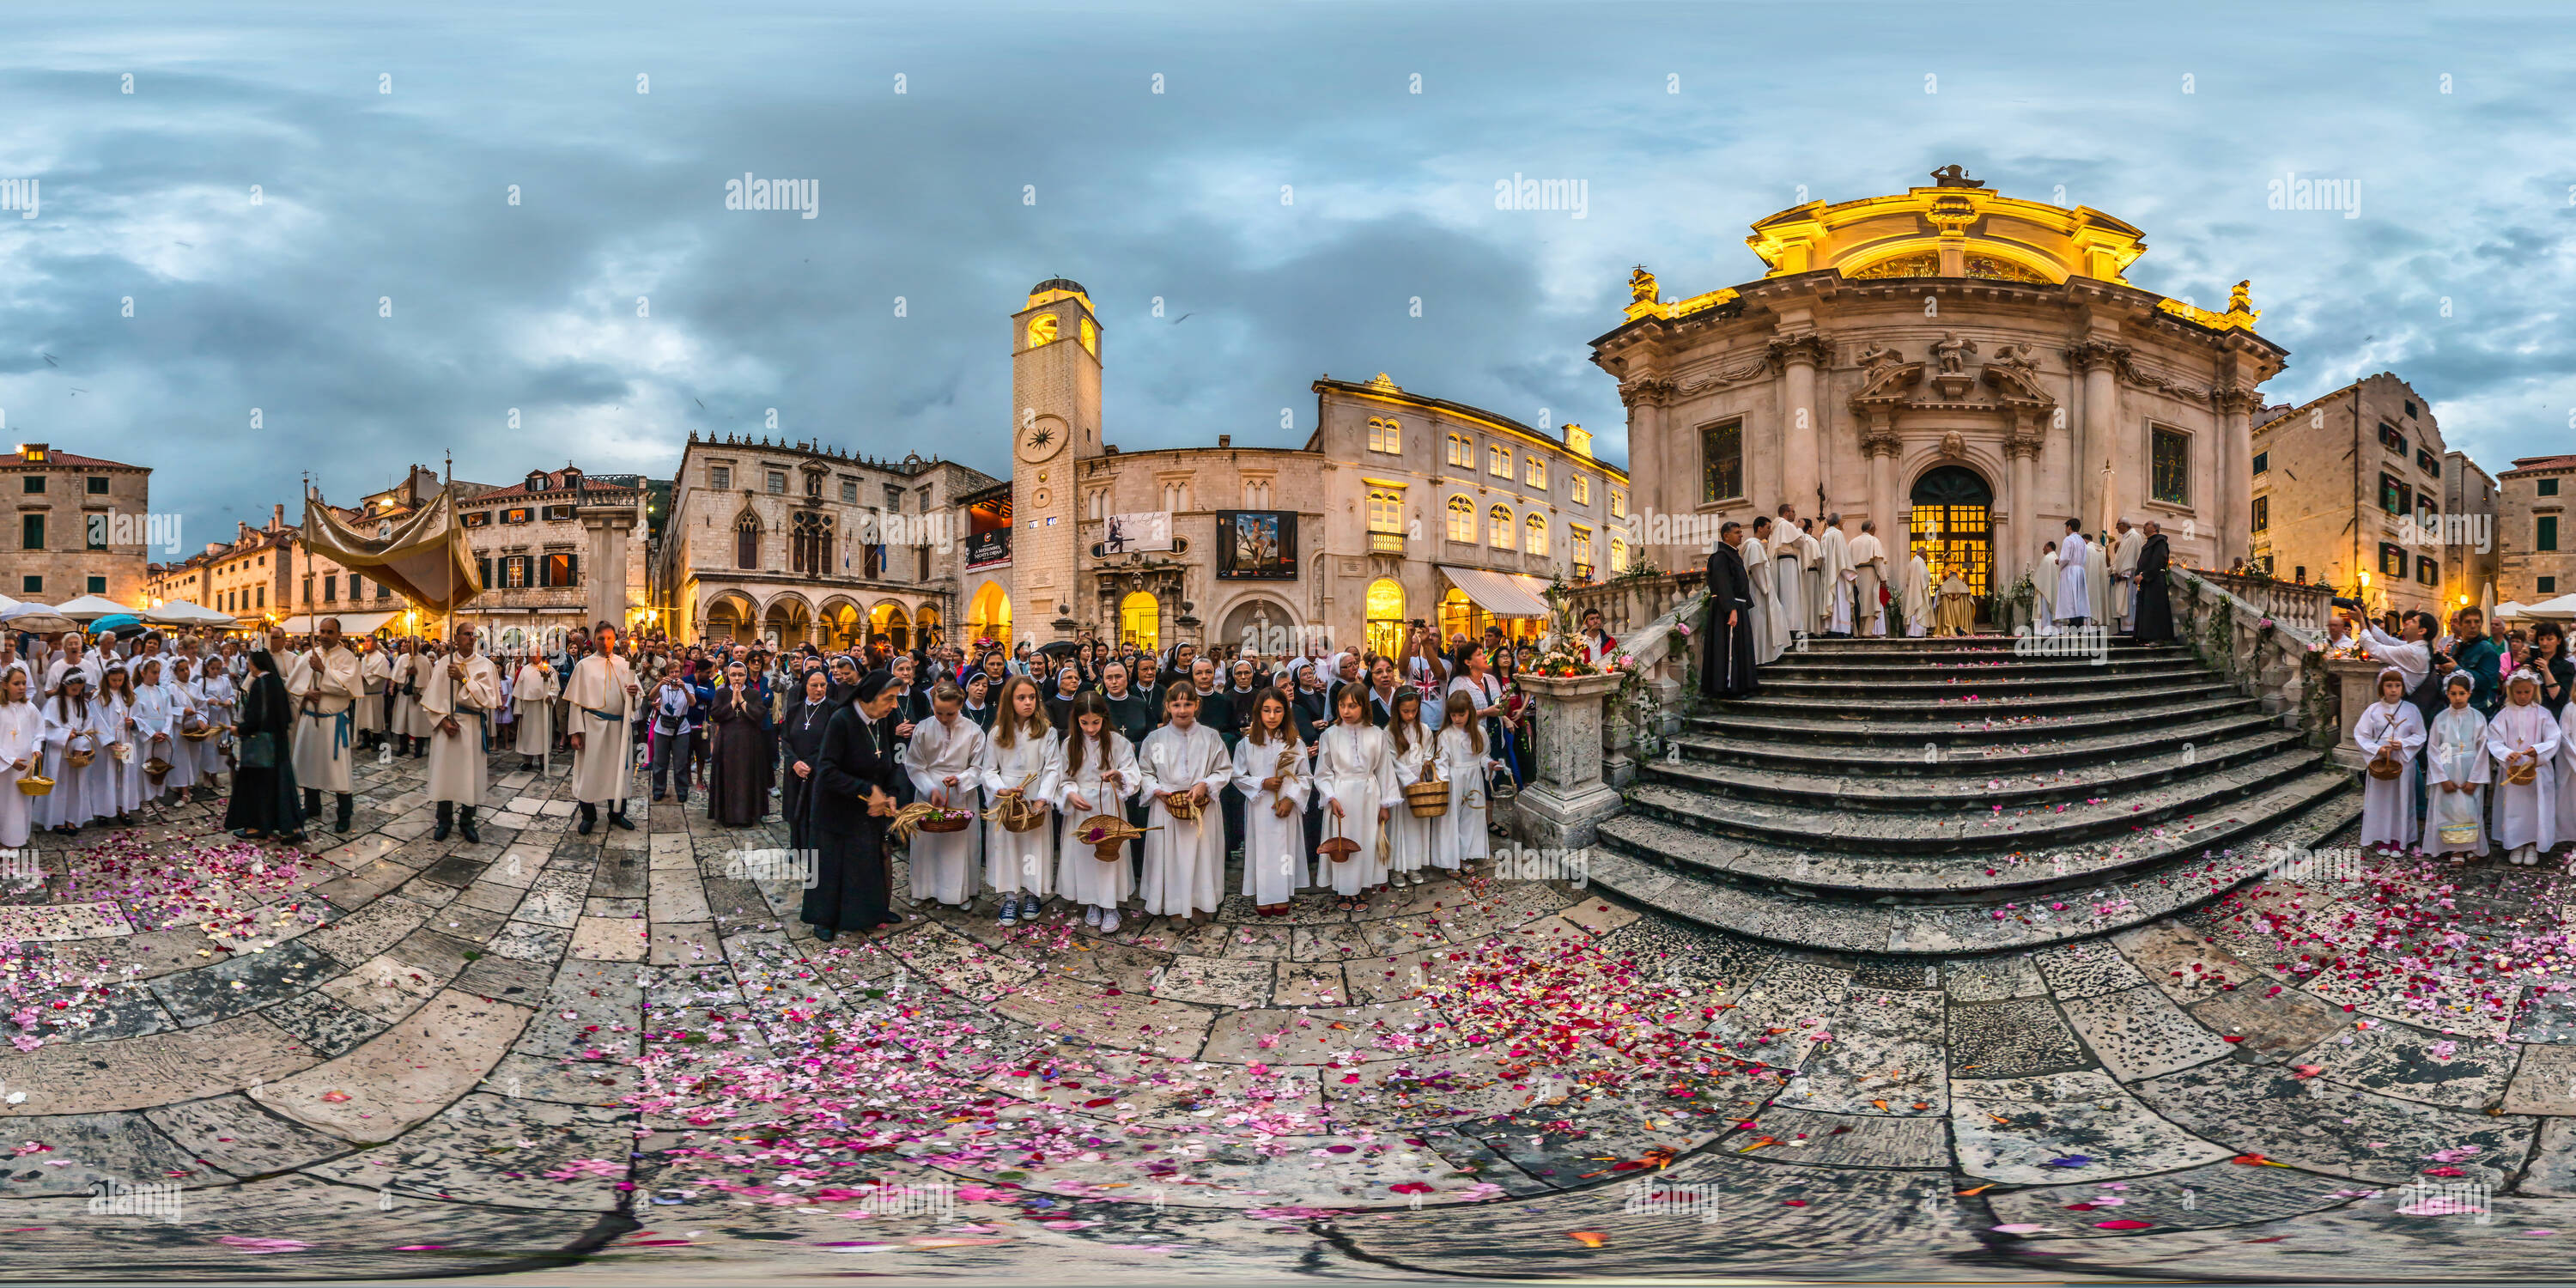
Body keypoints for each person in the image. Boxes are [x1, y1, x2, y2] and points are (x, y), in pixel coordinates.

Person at [805, 671, 904, 941]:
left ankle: (871, 911)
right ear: (869, 696)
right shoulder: (842, 721)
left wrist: (892, 792)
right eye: (889, 698)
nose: (894, 705)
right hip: (835, 806)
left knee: (866, 862)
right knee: (829, 865)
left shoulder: (882, 720)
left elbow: (890, 763)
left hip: (867, 809)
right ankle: (823, 918)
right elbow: (826, 770)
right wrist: (866, 790)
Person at [1139, 681, 1230, 924]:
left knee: (1201, 856)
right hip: (1168, 807)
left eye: (1187, 704)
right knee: (1171, 858)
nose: (1182, 710)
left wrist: (1205, 785)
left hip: (1202, 808)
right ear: (1167, 706)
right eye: (1176, 704)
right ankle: (1175, 906)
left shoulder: (1210, 737)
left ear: (1196, 705)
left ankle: (1200, 902)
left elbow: (1223, 770)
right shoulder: (1155, 739)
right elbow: (1145, 772)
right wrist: (1156, 790)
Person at [1053, 690, 1139, 932]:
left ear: (1104, 718)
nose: (1090, 729)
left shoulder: (1119, 742)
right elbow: (1064, 777)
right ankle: (1091, 901)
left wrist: (1118, 775)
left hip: (1109, 805)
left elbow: (1133, 773)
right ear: (1076, 720)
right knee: (1085, 856)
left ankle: (1110, 905)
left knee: (1108, 854)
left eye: (1095, 723)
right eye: (1084, 723)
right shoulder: (1070, 744)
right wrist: (1070, 792)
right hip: (1082, 807)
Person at [978, 674, 1057, 927]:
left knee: (1032, 849)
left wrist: (1042, 798)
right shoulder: (998, 733)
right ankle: (1011, 896)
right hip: (1008, 798)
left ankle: (1033, 893)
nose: (1027, 703)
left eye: (1032, 697)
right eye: (1021, 698)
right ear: (1009, 700)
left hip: (1035, 796)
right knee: (1008, 848)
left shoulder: (1046, 731)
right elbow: (988, 770)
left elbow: (1053, 768)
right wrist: (1001, 789)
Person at [899, 682, 985, 908]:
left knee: (957, 846)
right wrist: (930, 788)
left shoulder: (974, 731)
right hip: (930, 792)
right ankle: (923, 888)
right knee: (927, 843)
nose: (945, 718)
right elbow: (915, 764)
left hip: (961, 793)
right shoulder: (924, 728)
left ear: (960, 706)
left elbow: (979, 767)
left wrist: (961, 779)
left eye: (951, 713)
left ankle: (960, 892)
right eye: (939, 713)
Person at [422, 623, 501, 843]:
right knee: (445, 774)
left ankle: (468, 821)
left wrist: (463, 679)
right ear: (456, 638)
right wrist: (442, 721)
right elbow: (430, 701)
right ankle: (444, 821)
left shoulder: (485, 666)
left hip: (472, 726)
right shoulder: (442, 665)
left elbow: (488, 699)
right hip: (446, 727)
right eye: (466, 634)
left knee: (470, 775)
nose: (471, 638)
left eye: (473, 635)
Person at [564, 621, 642, 835]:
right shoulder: (584, 666)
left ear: (615, 639)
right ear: (595, 639)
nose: (605, 643)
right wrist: (575, 732)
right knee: (589, 771)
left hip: (618, 728)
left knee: (618, 772)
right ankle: (588, 815)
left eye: (609, 638)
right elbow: (575, 702)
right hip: (592, 727)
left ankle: (617, 813)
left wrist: (635, 694)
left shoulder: (626, 664)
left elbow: (638, 699)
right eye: (600, 639)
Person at [288, 620, 361, 834]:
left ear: (340, 633)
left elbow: (347, 688)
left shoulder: (347, 657)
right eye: (322, 631)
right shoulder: (309, 656)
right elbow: (293, 686)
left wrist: (323, 670)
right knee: (309, 765)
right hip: (310, 721)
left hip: (333, 723)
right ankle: (312, 807)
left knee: (338, 771)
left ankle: (344, 814)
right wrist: (306, 693)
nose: (325, 635)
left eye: (330, 632)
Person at [2488, 670, 2561, 866]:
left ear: (2534, 691)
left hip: (2537, 770)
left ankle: (2532, 843)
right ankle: (2516, 843)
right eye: (2518, 692)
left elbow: (2554, 738)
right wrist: (2505, 753)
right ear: (2512, 692)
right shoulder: (2504, 714)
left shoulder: (2543, 714)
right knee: (2514, 807)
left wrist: (2537, 749)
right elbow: (2494, 739)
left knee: (2536, 807)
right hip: (2512, 770)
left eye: (2527, 692)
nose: (2522, 696)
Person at [2354, 667, 2426, 852]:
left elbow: (2420, 735)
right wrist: (2378, 749)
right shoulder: (2373, 710)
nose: (2393, 689)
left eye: (2397, 685)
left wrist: (2402, 743)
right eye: (2389, 685)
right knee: (2382, 800)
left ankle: (2399, 839)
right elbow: (2361, 735)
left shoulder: (2412, 710)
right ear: (2381, 688)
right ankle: (2383, 837)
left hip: (2402, 761)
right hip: (2381, 762)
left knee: (2402, 799)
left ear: (2403, 688)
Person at [2425, 672, 2489, 860]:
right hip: (2448, 768)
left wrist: (2475, 779)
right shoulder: (2441, 719)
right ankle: (2455, 848)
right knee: (2449, 809)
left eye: (2462, 693)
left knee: (2470, 809)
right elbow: (2434, 749)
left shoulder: (2478, 718)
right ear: (2447, 694)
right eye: (2453, 693)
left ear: (2469, 693)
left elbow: (2483, 749)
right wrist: (2442, 778)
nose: (2458, 698)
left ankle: (2472, 846)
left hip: (2471, 769)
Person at [1382, 687, 1439, 889]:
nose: (1410, 715)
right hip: (1399, 787)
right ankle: (1397, 868)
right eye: (1406, 711)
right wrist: (1408, 778)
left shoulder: (1423, 729)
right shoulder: (1388, 732)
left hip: (1420, 787)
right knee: (1399, 828)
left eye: (1414, 710)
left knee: (1416, 828)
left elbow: (1429, 751)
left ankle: (1414, 865)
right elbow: (1391, 759)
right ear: (1397, 710)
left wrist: (1425, 764)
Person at [36, 672, 103, 834]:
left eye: (79, 690)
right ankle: (57, 820)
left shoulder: (83, 705)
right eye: (74, 689)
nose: (77, 692)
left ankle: (72, 818)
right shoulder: (54, 703)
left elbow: (89, 728)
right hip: (58, 753)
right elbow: (45, 728)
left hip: (76, 754)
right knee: (59, 785)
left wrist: (80, 745)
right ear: (65, 686)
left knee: (75, 786)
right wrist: (65, 735)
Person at [706, 661, 771, 828]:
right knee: (727, 777)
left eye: (740, 675)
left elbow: (759, 715)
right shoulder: (721, 693)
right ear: (728, 675)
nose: (737, 678)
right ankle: (727, 815)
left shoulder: (753, 693)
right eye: (733, 674)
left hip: (749, 742)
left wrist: (741, 701)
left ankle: (747, 815)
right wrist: (732, 703)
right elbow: (716, 714)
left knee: (747, 777)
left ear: (746, 676)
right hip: (727, 741)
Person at [1699, 521, 1759, 699]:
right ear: (1726, 535)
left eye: (1741, 532)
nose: (1741, 535)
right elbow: (1723, 583)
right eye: (1737, 532)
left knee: (1739, 647)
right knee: (1729, 648)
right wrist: (1732, 609)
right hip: (1728, 608)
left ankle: (1741, 685)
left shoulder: (1732, 555)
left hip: (1737, 605)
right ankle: (1729, 688)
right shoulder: (1720, 557)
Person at [0, 670, 43, 850]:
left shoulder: (30, 708)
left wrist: (36, 750)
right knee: (3, 803)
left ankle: (15, 839)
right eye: (16, 684)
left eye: (24, 683)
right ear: (4, 685)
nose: (22, 687)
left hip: (24, 766)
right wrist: (10, 760)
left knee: (19, 804)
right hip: (4, 767)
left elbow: (39, 733)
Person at [1744, 517, 1783, 665]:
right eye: (1768, 527)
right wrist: (1766, 589)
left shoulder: (1756, 545)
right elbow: (1757, 569)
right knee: (1758, 624)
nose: (1770, 530)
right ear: (1759, 528)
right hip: (1758, 592)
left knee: (1761, 624)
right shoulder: (1754, 546)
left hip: (1760, 591)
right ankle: (1758, 657)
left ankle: (1762, 655)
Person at [2129, 520, 2176, 643]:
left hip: (2155, 581)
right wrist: (2138, 574)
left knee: (2155, 609)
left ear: (2155, 528)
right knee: (2145, 609)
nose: (2143, 527)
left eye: (2147, 525)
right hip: (2146, 582)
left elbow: (2158, 561)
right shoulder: (2148, 543)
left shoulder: (2160, 543)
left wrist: (2144, 575)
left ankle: (2158, 638)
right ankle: (2144, 636)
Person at [1771, 503, 1809, 644]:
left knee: (1784, 595)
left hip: (1781, 562)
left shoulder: (1776, 526)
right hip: (1788, 563)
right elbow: (1800, 542)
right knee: (1791, 596)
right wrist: (1800, 529)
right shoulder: (1786, 525)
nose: (1795, 514)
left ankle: (1786, 628)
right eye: (1793, 511)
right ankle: (1792, 629)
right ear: (1786, 513)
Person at [513, 652, 557, 771]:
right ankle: (527, 761)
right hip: (528, 706)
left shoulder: (549, 668)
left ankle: (543, 761)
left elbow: (555, 686)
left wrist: (551, 696)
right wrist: (518, 708)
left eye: (537, 652)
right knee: (528, 734)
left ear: (541, 654)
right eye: (532, 653)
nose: (535, 655)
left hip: (543, 706)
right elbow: (518, 690)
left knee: (543, 733)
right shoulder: (525, 670)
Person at [1814, 515, 1854, 637]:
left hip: (1829, 573)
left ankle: (1831, 627)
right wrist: (1850, 574)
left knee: (1832, 600)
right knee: (1840, 600)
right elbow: (1843, 557)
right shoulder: (1837, 534)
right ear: (1837, 522)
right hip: (1838, 574)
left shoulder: (1825, 534)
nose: (1843, 522)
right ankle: (1840, 629)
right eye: (1842, 520)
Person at [1848, 519, 1887, 637]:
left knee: (1858, 603)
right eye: (1874, 528)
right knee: (1871, 602)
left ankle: (1856, 631)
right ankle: (1867, 631)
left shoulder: (1852, 542)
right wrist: (1883, 579)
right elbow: (1878, 561)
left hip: (1855, 575)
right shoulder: (1873, 541)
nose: (1875, 531)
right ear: (1871, 528)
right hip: (1870, 573)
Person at [2055, 519, 2093, 629]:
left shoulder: (2068, 539)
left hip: (2070, 571)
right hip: (2080, 570)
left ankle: (2073, 624)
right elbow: (2084, 558)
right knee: (2079, 599)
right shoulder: (2082, 541)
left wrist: (2059, 562)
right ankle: (2080, 624)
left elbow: (2065, 558)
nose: (2065, 530)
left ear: (2069, 527)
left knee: (2070, 598)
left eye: (2066, 527)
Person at [2110, 519, 2143, 632]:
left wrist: (2124, 574)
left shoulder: (2134, 537)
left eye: (2117, 526)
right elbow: (2120, 558)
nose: (2117, 529)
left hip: (2129, 577)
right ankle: (2125, 629)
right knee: (2124, 603)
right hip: (2122, 577)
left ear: (2123, 525)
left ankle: (2131, 629)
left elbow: (2133, 557)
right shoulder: (2126, 538)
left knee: (2130, 603)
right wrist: (2114, 571)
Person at [1900, 547, 1932, 639]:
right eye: (1925, 554)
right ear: (1922, 553)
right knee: (1919, 611)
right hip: (1919, 592)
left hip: (1912, 592)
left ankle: (1912, 631)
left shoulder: (1912, 562)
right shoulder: (1920, 562)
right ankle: (1918, 632)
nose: (1926, 557)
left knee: (1912, 610)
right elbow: (1925, 575)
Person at [1935, 567, 1977, 636]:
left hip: (1947, 618)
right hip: (1961, 615)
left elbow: (1938, 603)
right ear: (1957, 577)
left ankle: (1950, 628)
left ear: (1949, 577)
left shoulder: (1943, 587)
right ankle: (1963, 628)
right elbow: (1971, 602)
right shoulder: (1964, 587)